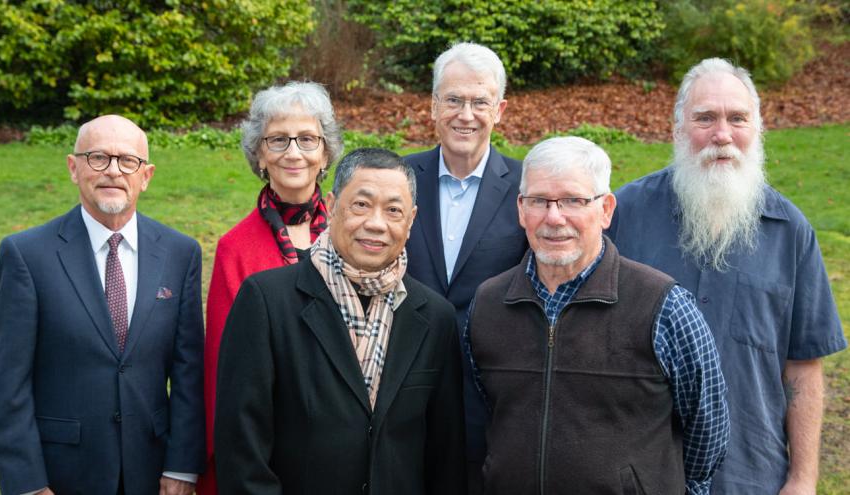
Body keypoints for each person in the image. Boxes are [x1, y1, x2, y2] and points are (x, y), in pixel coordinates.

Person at [607, 58, 846, 494]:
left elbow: (805, 367)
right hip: (639, 472)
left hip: (749, 474)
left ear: (758, 128)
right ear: (678, 129)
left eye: (737, 118)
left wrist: (803, 478)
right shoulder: (624, 215)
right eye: (705, 119)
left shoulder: (790, 231)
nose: (722, 135)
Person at [466, 137, 730, 494]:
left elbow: (707, 429)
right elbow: (487, 410)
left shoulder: (662, 305)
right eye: (539, 201)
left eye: (573, 201)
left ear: (605, 209)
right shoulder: (489, 304)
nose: (554, 218)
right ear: (520, 209)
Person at [214, 148, 466, 495]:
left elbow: (446, 454)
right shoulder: (267, 301)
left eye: (393, 210)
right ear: (332, 206)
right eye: (361, 205)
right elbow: (240, 445)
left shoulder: (435, 317)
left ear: (411, 221)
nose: (376, 223)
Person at [0, 115, 205, 494]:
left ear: (146, 175)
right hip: (62, 474)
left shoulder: (179, 253)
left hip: (151, 471)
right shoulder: (26, 255)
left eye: (127, 161)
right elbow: (8, 384)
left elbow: (188, 372)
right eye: (98, 157)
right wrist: (28, 484)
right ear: (74, 167)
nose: (113, 171)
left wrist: (182, 466)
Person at [198, 81, 343, 495]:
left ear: (325, 153)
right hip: (270, 445)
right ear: (259, 155)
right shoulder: (235, 248)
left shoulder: (352, 237)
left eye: (307, 139)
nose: (293, 152)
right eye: (278, 139)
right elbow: (223, 369)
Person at [403, 42, 527, 492]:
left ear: (500, 110)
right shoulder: (398, 180)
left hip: (493, 402)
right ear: (433, 107)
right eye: (453, 100)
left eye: (480, 102)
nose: (465, 114)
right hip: (405, 398)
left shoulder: (527, 188)